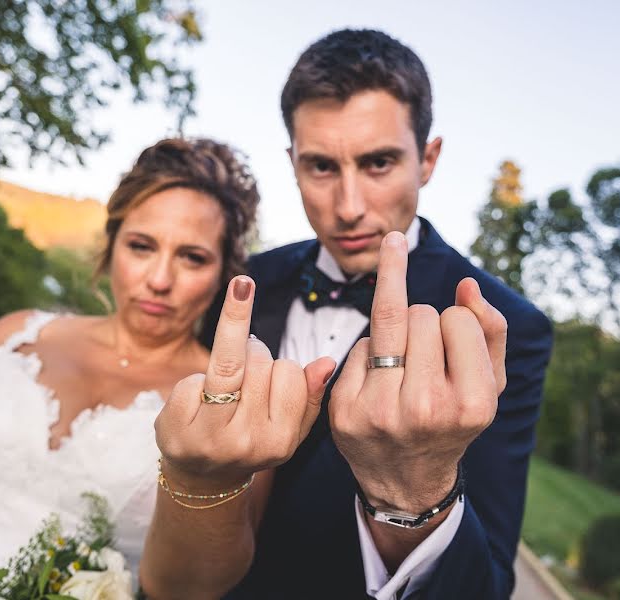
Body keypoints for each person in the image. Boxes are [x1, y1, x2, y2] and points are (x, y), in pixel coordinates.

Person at [137, 29, 553, 599]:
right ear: (292, 163)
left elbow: (486, 585)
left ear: (427, 159)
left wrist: (417, 494)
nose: (349, 206)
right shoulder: (243, 282)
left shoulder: (501, 324)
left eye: (379, 163)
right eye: (321, 167)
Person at [0, 137, 297, 598]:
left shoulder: (231, 410)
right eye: (141, 246)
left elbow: (192, 588)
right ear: (111, 245)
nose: (158, 279)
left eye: (192, 257)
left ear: (223, 272)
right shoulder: (16, 333)